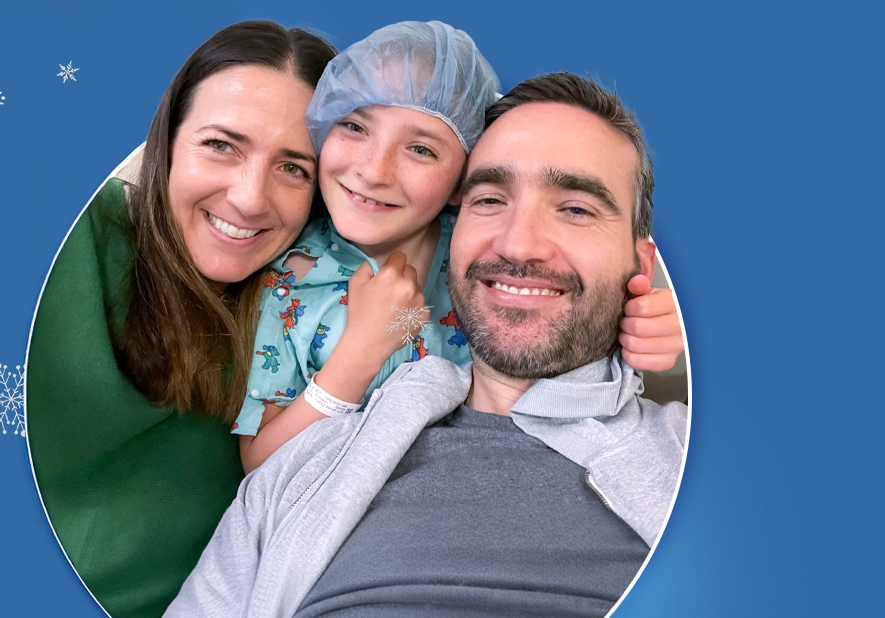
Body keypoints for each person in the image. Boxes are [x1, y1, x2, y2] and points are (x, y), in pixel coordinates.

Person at [140, 72, 689, 618]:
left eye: (575, 208)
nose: (517, 244)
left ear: (641, 259)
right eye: (489, 200)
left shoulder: (695, 456)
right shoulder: (305, 469)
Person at [233, 22, 682, 472]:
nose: (374, 171)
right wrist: (356, 357)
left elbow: (582, 308)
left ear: (461, 183)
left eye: (422, 150)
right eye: (353, 125)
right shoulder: (286, 282)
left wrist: (648, 323)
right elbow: (258, 464)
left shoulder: (489, 256)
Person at [26, 21, 337, 618]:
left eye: (294, 168)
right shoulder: (70, 245)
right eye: (221, 145)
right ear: (167, 143)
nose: (250, 198)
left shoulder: (307, 312)